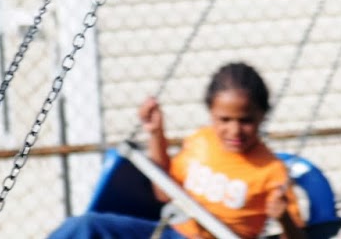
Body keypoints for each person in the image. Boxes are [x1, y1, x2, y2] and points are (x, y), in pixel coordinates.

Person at [49, 62, 303, 239]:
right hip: (172, 233)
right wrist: (155, 134)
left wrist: (284, 219)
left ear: (262, 116)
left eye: (246, 120)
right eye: (224, 120)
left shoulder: (272, 171)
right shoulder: (201, 142)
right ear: (211, 114)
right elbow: (163, 192)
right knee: (86, 226)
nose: (234, 131)